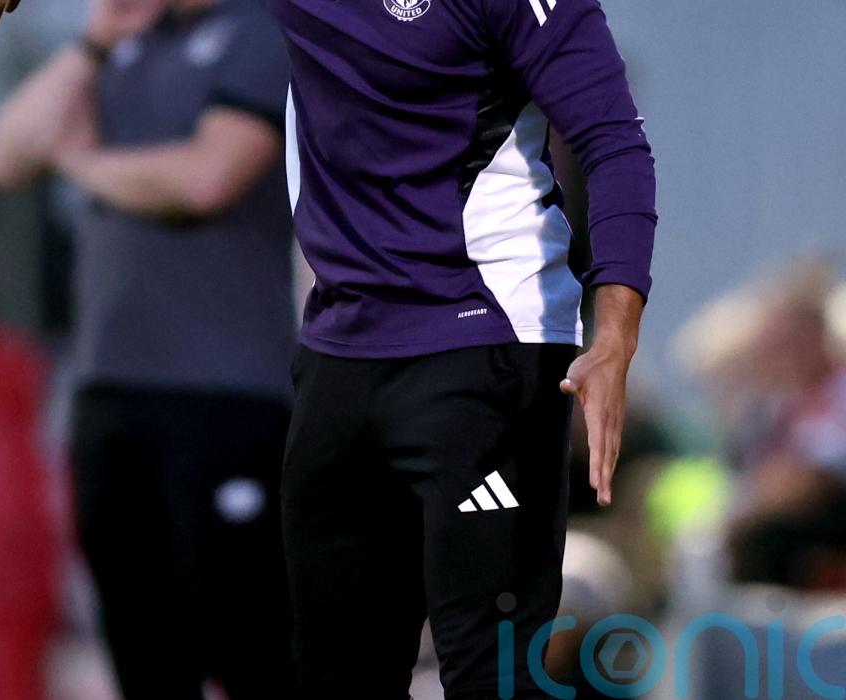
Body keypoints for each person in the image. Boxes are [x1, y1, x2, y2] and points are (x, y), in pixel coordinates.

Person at [271, 0, 656, 697]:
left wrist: (613, 338)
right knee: (333, 676)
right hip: (338, 353)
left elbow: (613, 140)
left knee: (493, 676)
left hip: (487, 342)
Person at [0, 1, 297, 698]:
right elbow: (6, 156)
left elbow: (206, 179)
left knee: (254, 650)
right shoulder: (121, 41)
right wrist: (92, 44)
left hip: (227, 396)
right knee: (142, 653)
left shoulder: (262, 30)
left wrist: (79, 163)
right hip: (108, 390)